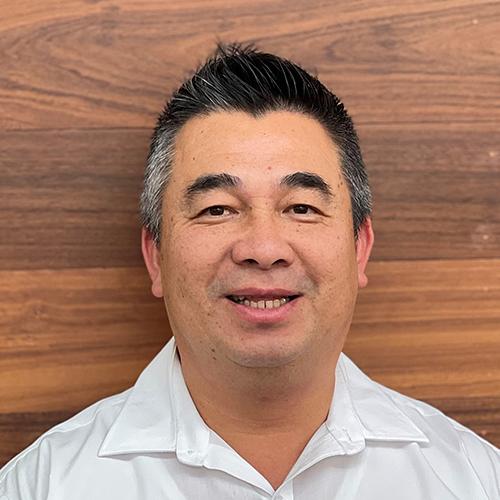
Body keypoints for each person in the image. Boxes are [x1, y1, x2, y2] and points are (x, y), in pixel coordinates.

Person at [0, 42, 498, 500]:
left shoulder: (474, 479)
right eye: (217, 209)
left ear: (359, 248)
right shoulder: (41, 486)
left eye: (301, 208)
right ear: (155, 256)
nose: (263, 249)